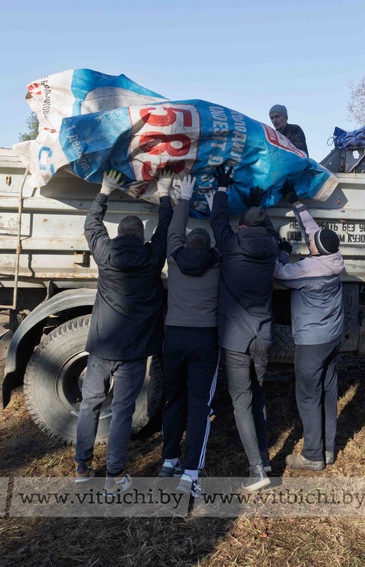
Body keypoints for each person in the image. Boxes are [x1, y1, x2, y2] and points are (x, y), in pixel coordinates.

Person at [75, 169, 173, 493]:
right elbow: (166, 230)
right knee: (121, 412)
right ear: (141, 237)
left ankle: (82, 467)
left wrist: (104, 190)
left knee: (90, 404)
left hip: (101, 348)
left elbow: (91, 225)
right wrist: (165, 192)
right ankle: (114, 475)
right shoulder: (151, 258)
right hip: (132, 353)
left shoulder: (105, 255)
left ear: (118, 236)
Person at [209, 164, 280, 491]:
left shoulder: (231, 246)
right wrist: (261, 207)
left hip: (236, 340)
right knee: (257, 396)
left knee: (241, 401)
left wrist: (222, 187)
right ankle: (263, 460)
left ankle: (258, 471)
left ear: (241, 226)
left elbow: (216, 220)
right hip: (262, 337)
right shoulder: (272, 250)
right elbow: (273, 233)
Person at [159, 175, 220, 500]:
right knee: (200, 405)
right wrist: (214, 207)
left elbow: (172, 231)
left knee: (173, 399)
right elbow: (224, 237)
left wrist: (183, 197)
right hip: (204, 340)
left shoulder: (174, 258)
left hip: (174, 339)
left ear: (185, 245)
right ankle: (191, 474)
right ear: (208, 247)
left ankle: (169, 460)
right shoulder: (218, 263)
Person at [273, 193, 345, 471]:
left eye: (312, 244)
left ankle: (313, 456)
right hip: (331, 338)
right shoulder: (334, 259)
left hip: (312, 342)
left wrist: (281, 251)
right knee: (328, 392)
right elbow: (315, 234)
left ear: (316, 250)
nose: (309, 241)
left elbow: (278, 273)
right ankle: (328, 449)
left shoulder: (308, 269)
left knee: (308, 396)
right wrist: (297, 205)